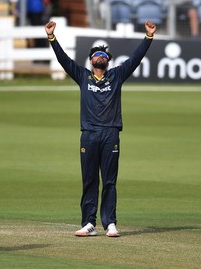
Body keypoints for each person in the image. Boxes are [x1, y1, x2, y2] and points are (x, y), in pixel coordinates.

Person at [45, 20, 156, 237]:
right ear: (90, 60)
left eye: (104, 56)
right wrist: (52, 38)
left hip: (110, 133)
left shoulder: (116, 75)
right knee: (89, 180)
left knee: (109, 181)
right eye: (96, 55)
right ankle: (88, 223)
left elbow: (136, 58)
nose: (100, 57)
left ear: (108, 61)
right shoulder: (81, 75)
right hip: (88, 134)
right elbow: (63, 60)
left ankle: (110, 223)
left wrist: (148, 37)